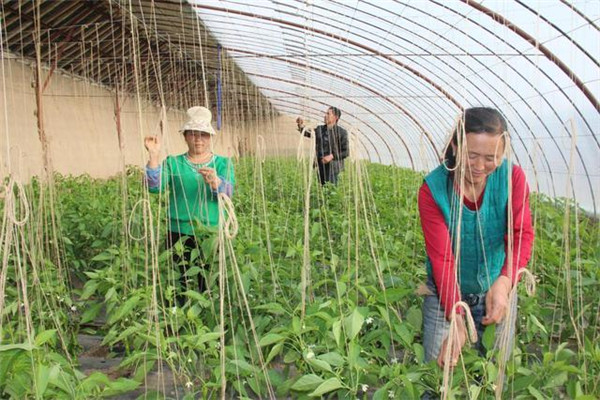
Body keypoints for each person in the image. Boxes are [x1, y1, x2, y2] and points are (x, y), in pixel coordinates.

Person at [418, 107, 534, 369]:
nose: (480, 166)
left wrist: (505, 282)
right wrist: (456, 316)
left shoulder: (512, 178)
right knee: (436, 374)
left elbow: (520, 234)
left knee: (493, 372)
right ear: (456, 147)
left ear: (502, 154)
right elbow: (442, 258)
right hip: (445, 294)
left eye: (491, 157)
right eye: (472, 155)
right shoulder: (434, 190)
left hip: (496, 290)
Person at [144, 106, 234, 304]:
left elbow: (228, 192)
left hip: (210, 231)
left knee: (208, 281)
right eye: (193, 134)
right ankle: (179, 319)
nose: (198, 139)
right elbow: (155, 187)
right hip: (178, 230)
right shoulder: (173, 163)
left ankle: (206, 319)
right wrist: (153, 156)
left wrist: (216, 183)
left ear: (210, 137)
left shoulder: (222, 163)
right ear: (185, 136)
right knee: (179, 281)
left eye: (203, 134)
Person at [296, 106, 349, 185]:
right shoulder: (320, 129)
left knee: (331, 189)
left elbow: (346, 152)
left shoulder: (342, 132)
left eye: (328, 114)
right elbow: (307, 133)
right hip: (321, 165)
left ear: (336, 117)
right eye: (325, 113)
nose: (325, 116)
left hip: (333, 167)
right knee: (322, 189)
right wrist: (300, 125)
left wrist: (332, 156)